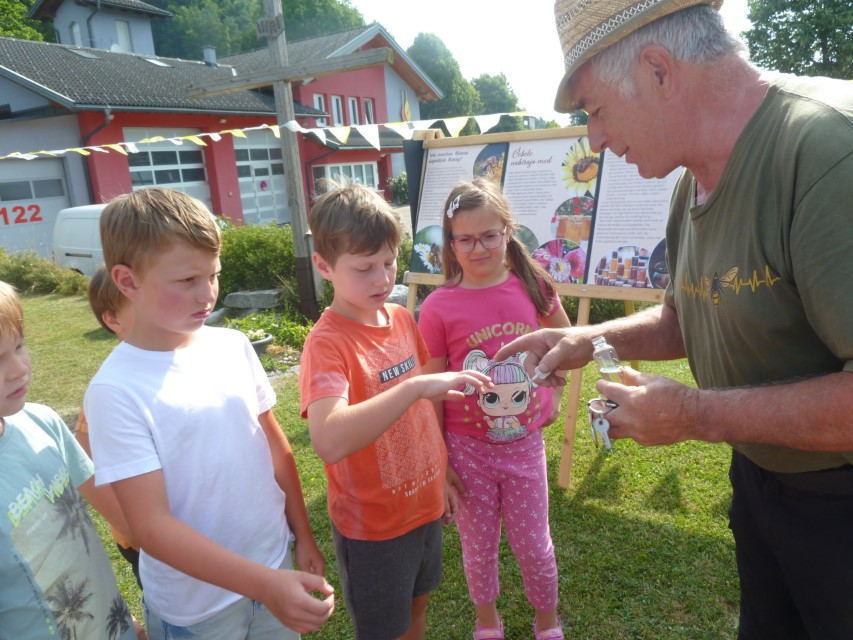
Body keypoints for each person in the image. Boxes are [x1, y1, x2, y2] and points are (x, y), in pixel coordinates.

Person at [498, 1, 853, 638]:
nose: (594, 140)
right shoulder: (693, 179)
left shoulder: (829, 151)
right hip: (764, 481)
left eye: (595, 110)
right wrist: (585, 338)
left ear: (659, 70)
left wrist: (696, 415)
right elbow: (688, 316)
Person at [84, 187, 335, 639]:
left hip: (274, 562)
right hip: (197, 609)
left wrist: (302, 535)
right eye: (186, 280)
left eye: (213, 275)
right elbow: (151, 528)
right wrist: (265, 585)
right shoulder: (114, 392)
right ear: (127, 281)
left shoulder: (233, 346)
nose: (207, 294)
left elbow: (275, 450)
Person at [298, 182, 492, 640]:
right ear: (324, 266)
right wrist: (415, 387)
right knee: (385, 629)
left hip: (423, 507)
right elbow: (328, 439)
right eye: (364, 268)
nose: (382, 279)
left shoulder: (401, 318)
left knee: (417, 608)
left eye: (388, 263)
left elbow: (421, 418)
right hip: (374, 530)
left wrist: (439, 475)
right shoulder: (327, 344)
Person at [417, 179, 571, 640]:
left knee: (534, 546)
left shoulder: (534, 287)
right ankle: (488, 622)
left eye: (488, 235)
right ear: (451, 243)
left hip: (525, 447)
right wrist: (441, 461)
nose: (478, 248)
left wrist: (553, 396)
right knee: (478, 547)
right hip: (466, 452)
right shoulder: (438, 307)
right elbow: (430, 391)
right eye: (465, 239)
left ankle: (547, 622)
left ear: (508, 231)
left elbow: (566, 344)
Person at [0, 280, 138, 640]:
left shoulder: (42, 422)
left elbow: (123, 516)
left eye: (19, 346)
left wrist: (124, 619)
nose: (18, 368)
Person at [76, 266, 143, 589]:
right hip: (143, 541)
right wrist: (132, 528)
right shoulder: (109, 387)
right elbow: (84, 463)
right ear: (113, 320)